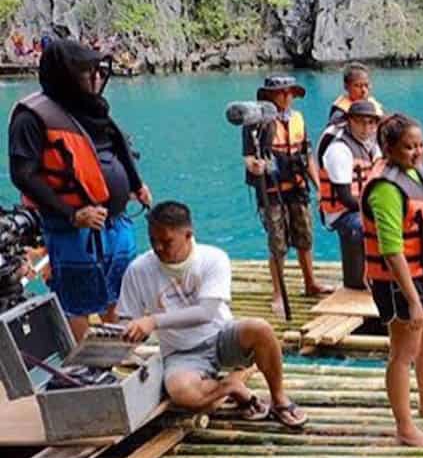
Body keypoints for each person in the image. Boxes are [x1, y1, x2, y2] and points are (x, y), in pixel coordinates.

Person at [7, 39, 152, 341]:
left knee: (119, 290)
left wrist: (136, 185)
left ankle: (118, 352)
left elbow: (116, 145)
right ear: (68, 75)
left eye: (97, 71)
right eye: (88, 72)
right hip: (72, 228)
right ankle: (86, 364)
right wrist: (73, 214)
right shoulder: (31, 116)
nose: (96, 78)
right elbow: (24, 174)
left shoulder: (92, 108)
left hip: (114, 221)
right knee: (77, 300)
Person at [116, 202, 308, 427]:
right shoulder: (138, 270)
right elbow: (126, 317)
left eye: (166, 242)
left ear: (188, 235)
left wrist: (153, 321)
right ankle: (230, 386)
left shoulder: (213, 258)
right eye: (153, 241)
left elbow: (206, 312)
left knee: (261, 329)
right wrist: (127, 332)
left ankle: (279, 398)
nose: (158, 248)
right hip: (180, 352)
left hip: (221, 336)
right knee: (182, 393)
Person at [362, 112, 423, 447]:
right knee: (403, 352)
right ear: (388, 149)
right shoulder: (387, 188)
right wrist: (413, 300)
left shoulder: (418, 174)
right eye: (408, 147)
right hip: (400, 281)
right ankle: (405, 427)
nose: (417, 153)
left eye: (420, 145)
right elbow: (391, 250)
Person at [242, 75, 332, 316]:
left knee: (305, 236)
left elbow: (307, 154)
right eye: (281, 92)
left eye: (289, 92)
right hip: (272, 189)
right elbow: (249, 158)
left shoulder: (298, 119)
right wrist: (256, 167)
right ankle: (278, 293)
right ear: (270, 96)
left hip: (297, 185)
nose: (286, 96)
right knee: (278, 243)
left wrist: (319, 187)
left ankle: (310, 283)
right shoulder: (256, 122)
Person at [317, 100, 382, 289]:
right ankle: (359, 282)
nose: (366, 127)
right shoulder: (340, 149)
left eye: (371, 123)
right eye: (361, 122)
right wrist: (374, 211)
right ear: (350, 122)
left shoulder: (371, 146)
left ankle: (378, 275)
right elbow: (345, 197)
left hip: (362, 205)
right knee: (364, 226)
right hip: (341, 212)